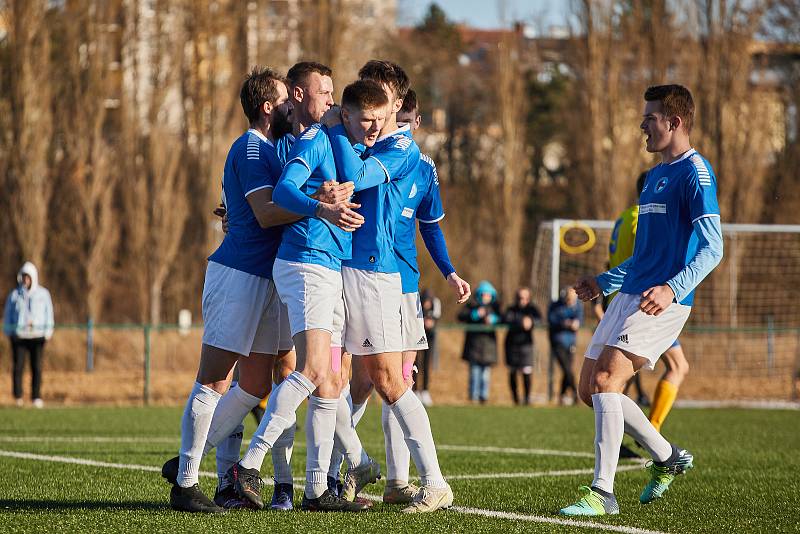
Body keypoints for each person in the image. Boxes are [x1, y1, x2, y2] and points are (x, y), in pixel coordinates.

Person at [225, 79, 388, 513]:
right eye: (329, 96)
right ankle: (249, 464)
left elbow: (353, 177)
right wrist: (322, 206)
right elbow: (281, 193)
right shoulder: (318, 139)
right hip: (307, 265)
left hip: (329, 266)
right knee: (312, 370)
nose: (373, 127)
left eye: (379, 119)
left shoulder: (341, 143)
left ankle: (317, 489)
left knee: (328, 382)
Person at [560, 84, 723, 516]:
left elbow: (714, 248)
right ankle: (669, 457)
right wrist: (603, 281)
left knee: (606, 383)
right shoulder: (653, 178)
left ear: (675, 122)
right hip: (630, 294)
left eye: (649, 119)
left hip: (663, 302)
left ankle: (603, 492)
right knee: (587, 389)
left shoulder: (696, 173)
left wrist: (673, 287)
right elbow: (643, 256)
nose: (642, 125)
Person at [322, 60, 455, 513]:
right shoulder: (361, 138)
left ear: (398, 104)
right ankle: (342, 472)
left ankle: (433, 480)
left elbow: (355, 179)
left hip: (377, 275)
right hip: (344, 267)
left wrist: (337, 126)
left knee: (388, 380)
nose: (371, 110)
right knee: (327, 377)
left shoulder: (403, 151)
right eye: (362, 99)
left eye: (380, 99)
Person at [379, 88, 470, 504]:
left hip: (402, 286)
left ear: (413, 122)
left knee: (392, 381)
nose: (397, 129)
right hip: (362, 278)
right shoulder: (367, 153)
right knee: (361, 380)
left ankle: (402, 481)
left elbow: (430, 225)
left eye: (404, 122)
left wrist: (449, 272)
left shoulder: (423, 167)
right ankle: (386, 480)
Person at [3, 262, 54, 408]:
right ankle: (18, 396)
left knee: (36, 367)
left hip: (37, 336)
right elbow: (8, 314)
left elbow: (48, 313)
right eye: (24, 277)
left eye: (28, 277)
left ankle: (36, 397)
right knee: (18, 367)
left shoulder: (43, 294)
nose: (26, 280)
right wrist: (9, 331)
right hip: (19, 336)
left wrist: (48, 331)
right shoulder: (14, 295)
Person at [458, 280, 501, 404]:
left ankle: (484, 396)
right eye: (482, 294)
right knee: (475, 373)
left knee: (485, 375)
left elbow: (503, 317)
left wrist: (493, 319)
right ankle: (473, 396)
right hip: (473, 347)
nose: (484, 297)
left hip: (489, 348)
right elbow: (460, 316)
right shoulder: (472, 306)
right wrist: (475, 314)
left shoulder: (494, 308)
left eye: (487, 295)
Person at [503, 287, 541, 406]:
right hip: (512, 345)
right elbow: (505, 318)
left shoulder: (532, 309)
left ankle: (527, 398)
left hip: (526, 345)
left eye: (525, 298)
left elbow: (539, 319)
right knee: (513, 372)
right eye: (520, 298)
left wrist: (531, 321)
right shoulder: (511, 309)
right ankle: (515, 399)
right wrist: (521, 321)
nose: (522, 300)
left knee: (527, 371)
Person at [548, 287, 582, 405]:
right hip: (558, 342)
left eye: (572, 300)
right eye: (568, 300)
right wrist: (564, 323)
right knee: (567, 368)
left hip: (571, 342)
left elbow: (579, 319)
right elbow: (551, 319)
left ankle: (562, 396)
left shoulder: (577, 306)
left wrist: (576, 323)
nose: (570, 302)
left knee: (567, 370)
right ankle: (575, 393)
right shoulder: (556, 306)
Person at [416, 288, 442, 405]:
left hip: (430, 336)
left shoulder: (436, 302)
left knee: (426, 364)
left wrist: (431, 322)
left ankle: (425, 391)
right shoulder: (416, 301)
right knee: (415, 364)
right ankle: (415, 390)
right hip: (417, 335)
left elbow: (437, 317)